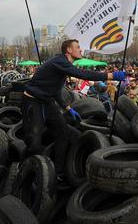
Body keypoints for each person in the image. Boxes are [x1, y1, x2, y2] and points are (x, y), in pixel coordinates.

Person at [22, 39, 126, 183]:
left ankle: (57, 172)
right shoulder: (61, 61)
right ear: (69, 50)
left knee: (63, 133)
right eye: (78, 47)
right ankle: (24, 171)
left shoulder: (63, 66)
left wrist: (68, 108)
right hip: (32, 101)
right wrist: (110, 76)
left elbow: (56, 91)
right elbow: (82, 74)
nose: (80, 50)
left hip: (47, 101)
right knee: (33, 142)